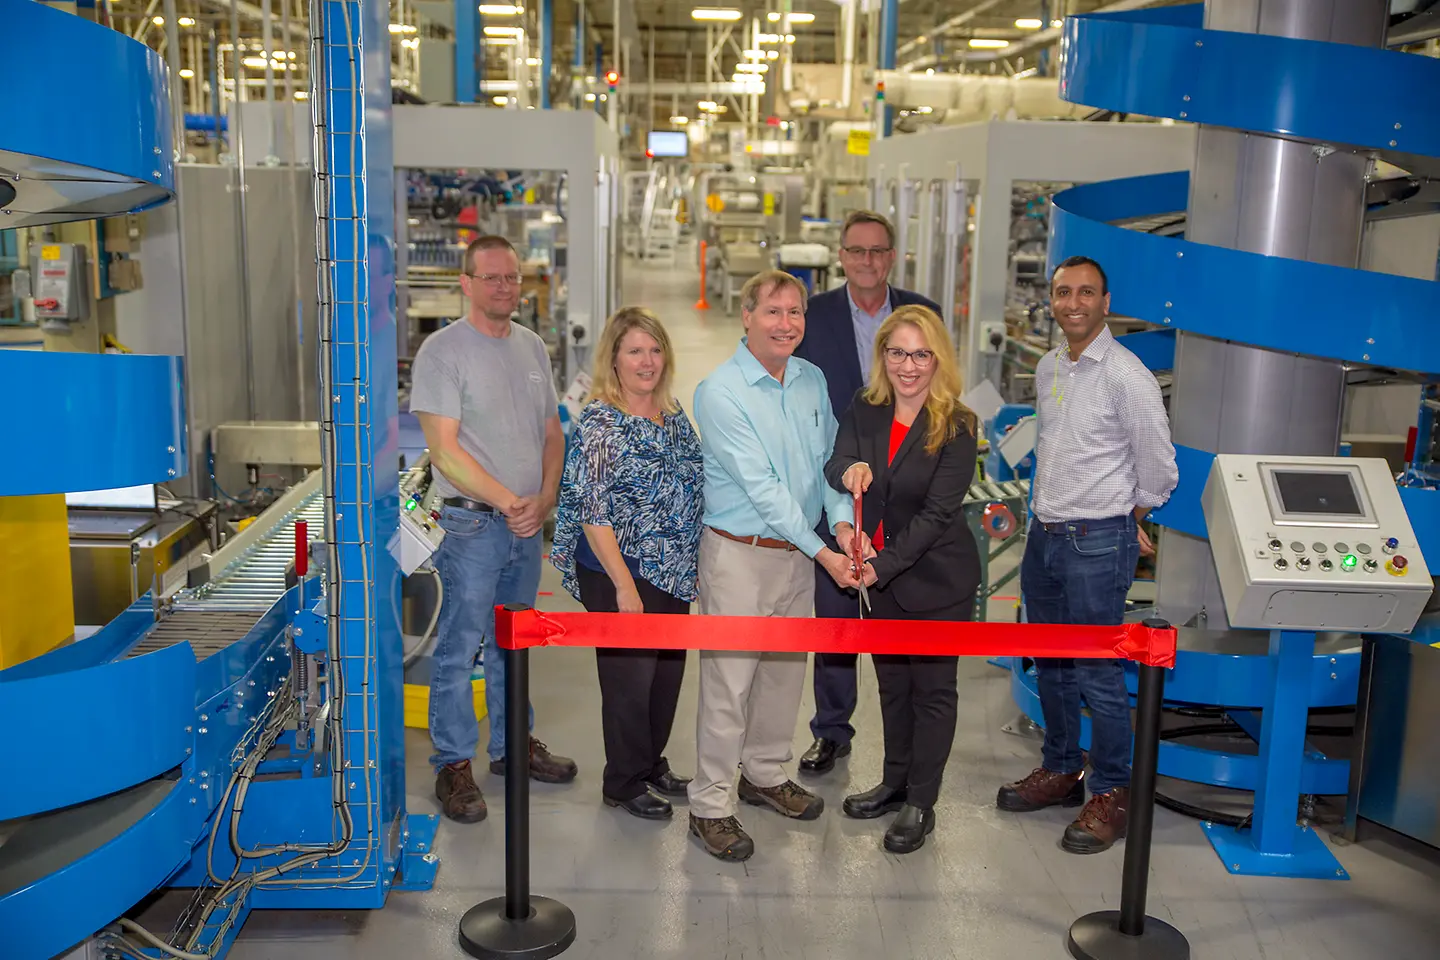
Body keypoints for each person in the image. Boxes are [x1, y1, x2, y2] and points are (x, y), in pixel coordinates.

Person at [996, 255, 1178, 854]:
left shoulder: (1128, 375)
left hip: (1098, 539)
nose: (1073, 302)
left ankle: (1111, 791)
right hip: (1046, 536)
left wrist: (1131, 514)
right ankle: (1062, 768)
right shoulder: (1051, 365)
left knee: (1099, 670)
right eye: (1062, 292)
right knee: (1049, 660)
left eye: (1086, 293)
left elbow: (1159, 467)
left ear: (1106, 301)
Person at [687, 269, 862, 862]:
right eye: (773, 312)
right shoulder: (720, 392)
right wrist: (827, 555)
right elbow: (761, 488)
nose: (786, 324)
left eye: (796, 313)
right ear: (746, 316)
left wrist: (841, 523)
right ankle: (710, 804)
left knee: (785, 677)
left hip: (799, 553)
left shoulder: (811, 379)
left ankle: (762, 774)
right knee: (728, 686)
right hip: (740, 553)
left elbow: (830, 464)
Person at [411, 234, 579, 825]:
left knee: (518, 641)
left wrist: (546, 498)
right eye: (492, 278)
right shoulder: (442, 353)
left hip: (526, 525)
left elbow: (552, 433)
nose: (505, 287)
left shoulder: (532, 347)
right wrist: (512, 500)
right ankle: (453, 766)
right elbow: (445, 453)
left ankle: (511, 748)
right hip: (472, 526)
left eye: (512, 278)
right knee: (460, 649)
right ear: (466, 283)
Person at [825, 305, 980, 854]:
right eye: (897, 353)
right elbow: (836, 457)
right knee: (892, 684)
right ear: (883, 356)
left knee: (932, 691)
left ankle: (922, 800)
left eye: (920, 354)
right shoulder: (866, 408)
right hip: (884, 581)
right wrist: (849, 470)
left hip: (936, 579)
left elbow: (938, 515)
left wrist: (878, 566)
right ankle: (894, 783)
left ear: (937, 357)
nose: (909, 366)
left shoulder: (958, 424)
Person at [794, 209, 942, 777]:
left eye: (878, 251)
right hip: (840, 490)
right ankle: (831, 730)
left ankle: (903, 752)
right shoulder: (816, 315)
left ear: (892, 256)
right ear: (841, 256)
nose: (867, 261)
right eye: (856, 251)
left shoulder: (920, 313)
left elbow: (941, 389)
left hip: (906, 493)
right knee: (836, 616)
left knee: (901, 619)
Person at [550, 307, 705, 822]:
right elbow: (594, 513)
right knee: (628, 683)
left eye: (655, 349)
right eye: (635, 350)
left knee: (665, 678)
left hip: (671, 570)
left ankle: (650, 763)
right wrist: (623, 586)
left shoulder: (674, 413)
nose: (647, 361)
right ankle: (622, 780)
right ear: (614, 359)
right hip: (620, 571)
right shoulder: (601, 422)